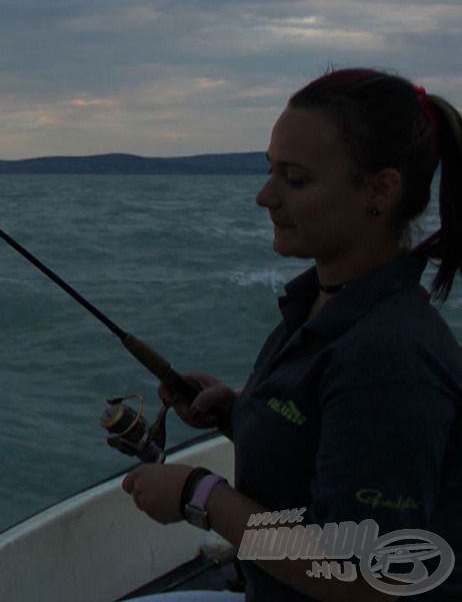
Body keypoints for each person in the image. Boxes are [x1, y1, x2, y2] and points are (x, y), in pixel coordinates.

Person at [122, 68, 462, 601]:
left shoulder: (390, 355)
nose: (264, 196)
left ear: (381, 188)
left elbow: (368, 579)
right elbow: (325, 441)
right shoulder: (322, 303)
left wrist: (200, 495)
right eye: (269, 171)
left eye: (295, 179)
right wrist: (240, 412)